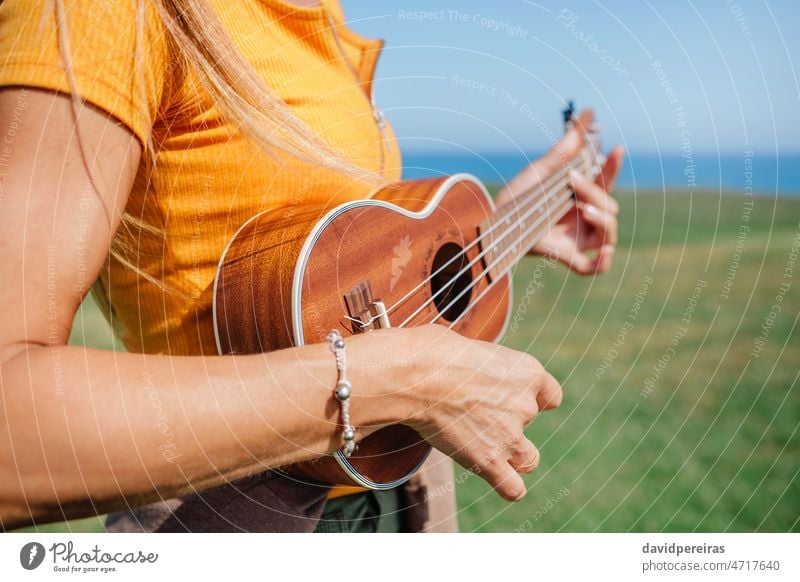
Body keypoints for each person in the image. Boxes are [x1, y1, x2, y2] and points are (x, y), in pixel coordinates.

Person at [0, 0, 623, 533]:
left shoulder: (315, 20)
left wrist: (511, 221)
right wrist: (409, 380)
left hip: (401, 499)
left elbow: (347, 276)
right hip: (229, 519)